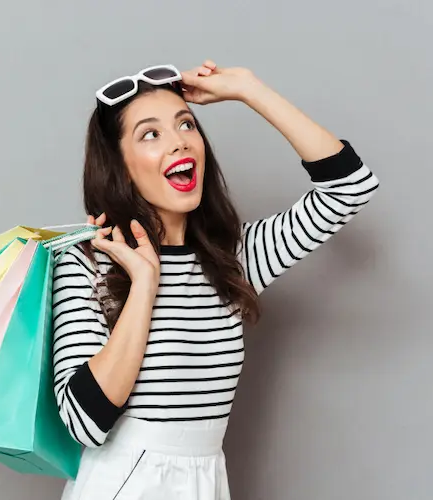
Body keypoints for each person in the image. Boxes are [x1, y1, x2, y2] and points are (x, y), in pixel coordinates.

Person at [51, 60, 380, 499]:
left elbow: (350, 186)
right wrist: (144, 286)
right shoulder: (91, 261)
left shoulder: (235, 259)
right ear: (121, 166)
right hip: (124, 482)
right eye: (150, 134)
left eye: (185, 125)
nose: (178, 143)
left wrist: (249, 89)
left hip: (206, 479)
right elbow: (84, 422)